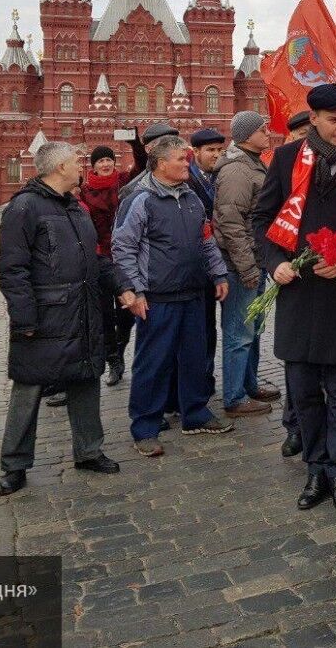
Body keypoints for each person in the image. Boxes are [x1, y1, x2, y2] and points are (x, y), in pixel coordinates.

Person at [252, 84, 336, 510]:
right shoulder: (288, 159)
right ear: (314, 120)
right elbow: (263, 218)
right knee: (304, 390)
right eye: (334, 120)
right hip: (300, 292)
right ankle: (315, 470)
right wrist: (273, 263)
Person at [0, 142, 127, 494]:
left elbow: (95, 259)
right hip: (44, 317)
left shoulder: (76, 208)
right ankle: (15, 464)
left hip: (81, 310)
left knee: (85, 379)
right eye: (75, 162)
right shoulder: (24, 207)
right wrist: (24, 320)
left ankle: (89, 450)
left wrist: (121, 287)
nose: (81, 167)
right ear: (59, 168)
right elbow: (12, 268)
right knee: (29, 388)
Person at [112, 136, 232, 455]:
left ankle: (195, 413)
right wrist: (133, 290)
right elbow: (122, 248)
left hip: (193, 293)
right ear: (162, 163)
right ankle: (145, 427)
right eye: (181, 159)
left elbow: (206, 240)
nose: (186, 163)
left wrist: (218, 273)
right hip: (157, 297)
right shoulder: (140, 199)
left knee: (194, 357)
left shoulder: (191, 197)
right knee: (153, 363)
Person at [214, 112, 281, 418]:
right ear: (246, 135)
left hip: (255, 259)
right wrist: (248, 268)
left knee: (253, 329)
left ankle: (249, 385)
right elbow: (231, 223)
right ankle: (234, 397)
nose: (267, 133)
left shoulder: (252, 163)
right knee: (239, 332)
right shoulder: (237, 170)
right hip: (241, 264)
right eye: (262, 129)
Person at [77, 137, 147, 386]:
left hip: (124, 256)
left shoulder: (124, 182)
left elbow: (142, 167)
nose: (106, 164)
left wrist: (135, 144)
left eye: (109, 159)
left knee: (127, 312)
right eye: (101, 161)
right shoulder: (84, 192)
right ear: (93, 166)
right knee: (104, 313)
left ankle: (119, 346)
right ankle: (114, 361)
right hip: (98, 257)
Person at [188, 128, 226, 397]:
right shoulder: (187, 179)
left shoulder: (218, 177)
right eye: (210, 150)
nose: (215, 155)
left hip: (212, 267)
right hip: (192, 269)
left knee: (208, 327)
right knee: (195, 330)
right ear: (196, 153)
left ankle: (205, 379)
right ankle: (193, 385)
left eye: (218, 150)